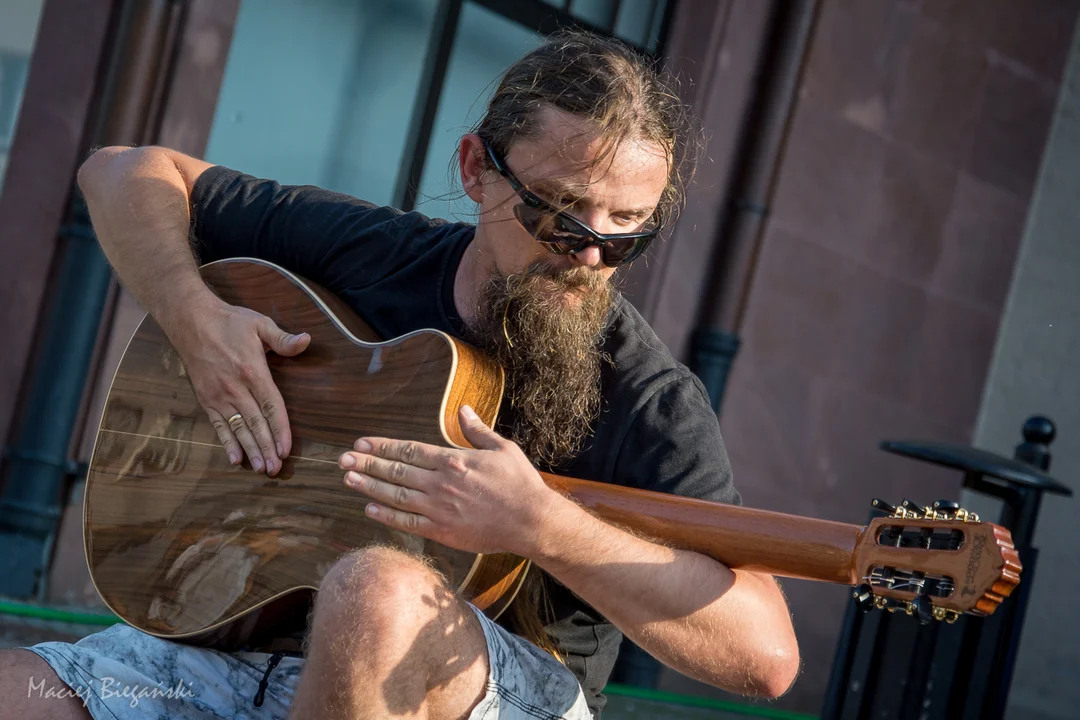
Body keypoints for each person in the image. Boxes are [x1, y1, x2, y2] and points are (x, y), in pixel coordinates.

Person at [0, 31, 799, 720]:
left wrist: (539, 527)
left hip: (488, 687)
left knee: (376, 590)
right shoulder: (376, 250)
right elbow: (123, 170)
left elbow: (765, 655)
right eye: (560, 211)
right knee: (18, 689)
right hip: (247, 650)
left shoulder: (650, 398)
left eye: (628, 230)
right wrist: (196, 322)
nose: (590, 255)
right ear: (476, 167)